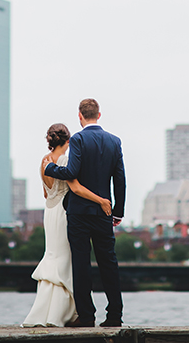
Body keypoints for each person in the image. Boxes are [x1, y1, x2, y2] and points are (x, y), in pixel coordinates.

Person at [43, 98, 126, 328]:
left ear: (80, 116)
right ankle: (115, 316)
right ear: (99, 115)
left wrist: (50, 168)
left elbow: (71, 171)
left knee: (81, 264)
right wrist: (117, 212)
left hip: (79, 212)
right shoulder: (114, 142)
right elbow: (120, 179)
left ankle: (87, 316)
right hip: (104, 212)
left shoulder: (78, 139)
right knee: (109, 263)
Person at [23, 123, 111, 328]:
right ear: (69, 141)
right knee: (66, 260)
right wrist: (101, 201)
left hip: (49, 212)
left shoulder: (44, 161)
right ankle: (64, 312)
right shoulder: (64, 160)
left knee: (52, 256)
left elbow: (46, 193)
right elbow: (76, 188)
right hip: (64, 212)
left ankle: (45, 311)